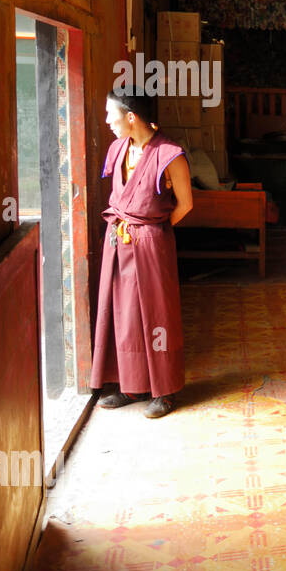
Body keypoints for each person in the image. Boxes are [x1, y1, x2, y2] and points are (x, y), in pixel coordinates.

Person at [89, 87, 193, 418]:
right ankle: (130, 385)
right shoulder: (118, 148)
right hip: (118, 241)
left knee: (157, 313)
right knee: (125, 313)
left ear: (131, 117)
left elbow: (185, 204)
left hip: (151, 243)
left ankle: (165, 390)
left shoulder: (169, 154)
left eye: (111, 115)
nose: (108, 122)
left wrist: (154, 229)